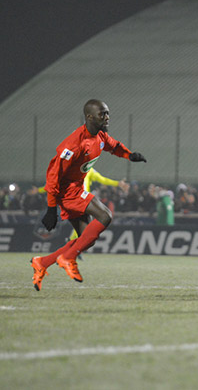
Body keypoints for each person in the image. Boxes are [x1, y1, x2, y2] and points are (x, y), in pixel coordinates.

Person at [30, 99, 146, 291]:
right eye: (102, 114)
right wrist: (51, 209)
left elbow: (114, 146)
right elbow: (53, 176)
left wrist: (129, 155)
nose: (107, 117)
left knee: (86, 239)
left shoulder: (100, 136)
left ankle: (42, 262)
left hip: (76, 190)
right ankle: (67, 257)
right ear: (90, 117)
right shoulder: (74, 145)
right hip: (68, 192)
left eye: (108, 113)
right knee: (105, 215)